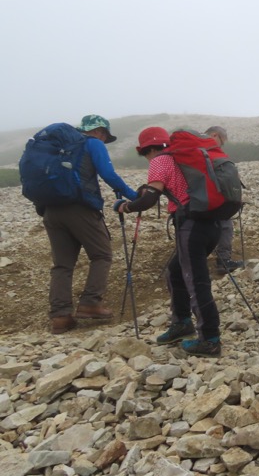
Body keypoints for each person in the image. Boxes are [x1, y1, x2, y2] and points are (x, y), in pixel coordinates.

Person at [114, 127, 223, 357]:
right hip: (212, 223)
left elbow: (149, 199)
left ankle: (210, 339)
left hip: (191, 225)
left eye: (144, 154)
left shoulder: (160, 161)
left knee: (196, 281)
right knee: (175, 272)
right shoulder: (185, 158)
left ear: (146, 149)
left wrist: (126, 206)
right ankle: (182, 323)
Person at [42, 115, 139, 334]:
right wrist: (133, 195)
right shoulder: (92, 143)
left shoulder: (58, 146)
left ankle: (60, 316)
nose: (104, 140)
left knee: (62, 265)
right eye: (105, 136)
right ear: (100, 132)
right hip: (80, 208)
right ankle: (90, 303)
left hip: (50, 209)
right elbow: (108, 173)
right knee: (102, 254)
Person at [204, 126, 244, 272]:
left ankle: (193, 261)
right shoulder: (213, 152)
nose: (222, 145)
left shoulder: (192, 149)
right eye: (222, 141)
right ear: (215, 135)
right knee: (225, 225)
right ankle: (223, 260)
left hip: (190, 200)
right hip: (213, 199)